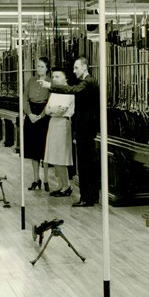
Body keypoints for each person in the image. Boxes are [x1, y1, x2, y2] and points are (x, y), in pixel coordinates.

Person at [40, 56, 99, 207]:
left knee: (85, 164)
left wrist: (50, 85)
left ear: (85, 67)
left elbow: (73, 90)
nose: (74, 71)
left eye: (76, 68)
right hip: (84, 129)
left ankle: (87, 198)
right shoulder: (86, 82)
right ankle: (90, 196)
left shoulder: (88, 82)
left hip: (86, 129)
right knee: (86, 163)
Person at [43, 68, 75, 197]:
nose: (54, 79)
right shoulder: (55, 92)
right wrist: (52, 110)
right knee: (53, 156)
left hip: (62, 124)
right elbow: (47, 110)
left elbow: (61, 111)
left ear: (65, 78)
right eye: (53, 77)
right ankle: (60, 184)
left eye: (57, 77)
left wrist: (53, 110)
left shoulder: (69, 92)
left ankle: (66, 186)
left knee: (60, 157)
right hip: (53, 123)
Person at [23, 57, 51, 191]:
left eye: (41, 66)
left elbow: (50, 103)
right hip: (31, 115)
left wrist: (40, 116)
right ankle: (36, 179)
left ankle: (46, 179)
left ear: (47, 68)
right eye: (37, 66)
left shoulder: (51, 82)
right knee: (33, 150)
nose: (38, 68)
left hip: (43, 117)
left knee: (44, 150)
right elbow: (25, 99)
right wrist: (29, 114)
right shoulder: (31, 80)